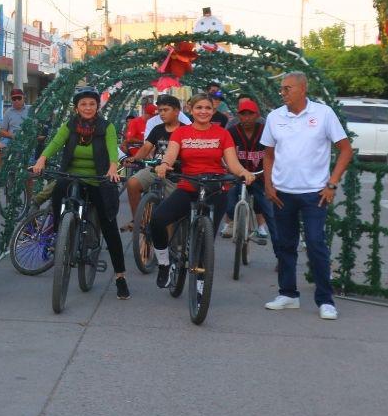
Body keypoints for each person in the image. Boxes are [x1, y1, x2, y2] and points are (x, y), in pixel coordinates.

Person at [261, 72, 352, 319]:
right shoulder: (275, 117)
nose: (283, 92)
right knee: (285, 245)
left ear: (303, 89)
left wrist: (332, 184)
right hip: (282, 193)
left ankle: (326, 300)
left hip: (315, 193)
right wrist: (268, 184)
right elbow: (268, 154)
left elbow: (345, 150)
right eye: (281, 88)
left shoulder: (323, 114)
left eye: (287, 88)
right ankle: (288, 294)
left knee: (315, 243)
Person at [32, 86, 131, 300]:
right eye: (83, 104)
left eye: (92, 104)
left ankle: (120, 277)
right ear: (76, 107)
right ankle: (60, 234)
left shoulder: (106, 127)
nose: (87, 107)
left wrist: (113, 167)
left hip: (98, 179)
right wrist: (42, 159)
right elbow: (56, 143)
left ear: (97, 106)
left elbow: (112, 148)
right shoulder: (70, 125)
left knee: (109, 225)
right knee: (58, 192)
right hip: (71, 176)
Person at [150, 94, 257, 290]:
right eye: (199, 107)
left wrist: (243, 172)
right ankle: (164, 264)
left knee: (206, 242)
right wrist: (164, 165)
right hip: (189, 186)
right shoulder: (181, 133)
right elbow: (171, 154)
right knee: (157, 220)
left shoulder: (222, 134)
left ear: (213, 111)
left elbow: (232, 163)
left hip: (215, 188)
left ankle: (201, 285)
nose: (203, 111)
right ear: (191, 110)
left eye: (208, 108)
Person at [126, 95, 182, 222]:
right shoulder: (157, 129)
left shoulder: (185, 129)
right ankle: (138, 221)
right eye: (160, 110)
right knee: (132, 183)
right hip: (155, 169)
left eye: (165, 110)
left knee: (170, 214)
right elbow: (146, 147)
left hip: (176, 174)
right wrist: (135, 158)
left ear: (177, 111)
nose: (161, 113)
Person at [226, 98, 274, 246]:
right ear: (238, 116)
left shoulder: (265, 131)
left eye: (250, 114)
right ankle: (232, 223)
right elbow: (225, 153)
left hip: (259, 175)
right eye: (243, 114)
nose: (246, 118)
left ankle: (266, 230)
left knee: (266, 207)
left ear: (257, 115)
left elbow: (272, 153)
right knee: (229, 204)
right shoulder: (232, 132)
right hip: (238, 176)